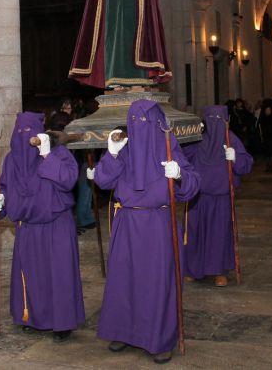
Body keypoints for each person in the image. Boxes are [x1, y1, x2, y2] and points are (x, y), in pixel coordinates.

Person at [90, 99, 200, 364]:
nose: (138, 128)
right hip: (127, 224)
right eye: (133, 122)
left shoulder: (168, 146)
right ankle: (123, 331)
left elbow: (194, 184)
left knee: (156, 283)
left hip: (157, 225)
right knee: (124, 280)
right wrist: (113, 154)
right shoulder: (125, 149)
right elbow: (103, 181)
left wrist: (180, 176)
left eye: (144, 122)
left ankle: (159, 338)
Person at [0, 112, 85, 342]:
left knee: (59, 274)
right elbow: (4, 186)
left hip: (57, 224)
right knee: (32, 274)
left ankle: (62, 322)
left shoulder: (59, 152)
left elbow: (69, 181)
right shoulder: (12, 160)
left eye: (30, 131)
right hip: (28, 227)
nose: (26, 137)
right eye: (20, 132)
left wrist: (47, 157)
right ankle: (30, 317)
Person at [182, 105, 253, 286]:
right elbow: (182, 157)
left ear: (226, 121)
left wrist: (235, 157)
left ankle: (219, 271)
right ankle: (194, 269)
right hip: (198, 197)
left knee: (218, 234)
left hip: (221, 198)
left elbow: (246, 163)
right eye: (211, 119)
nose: (216, 123)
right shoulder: (198, 140)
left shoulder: (231, 139)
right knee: (195, 233)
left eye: (219, 119)